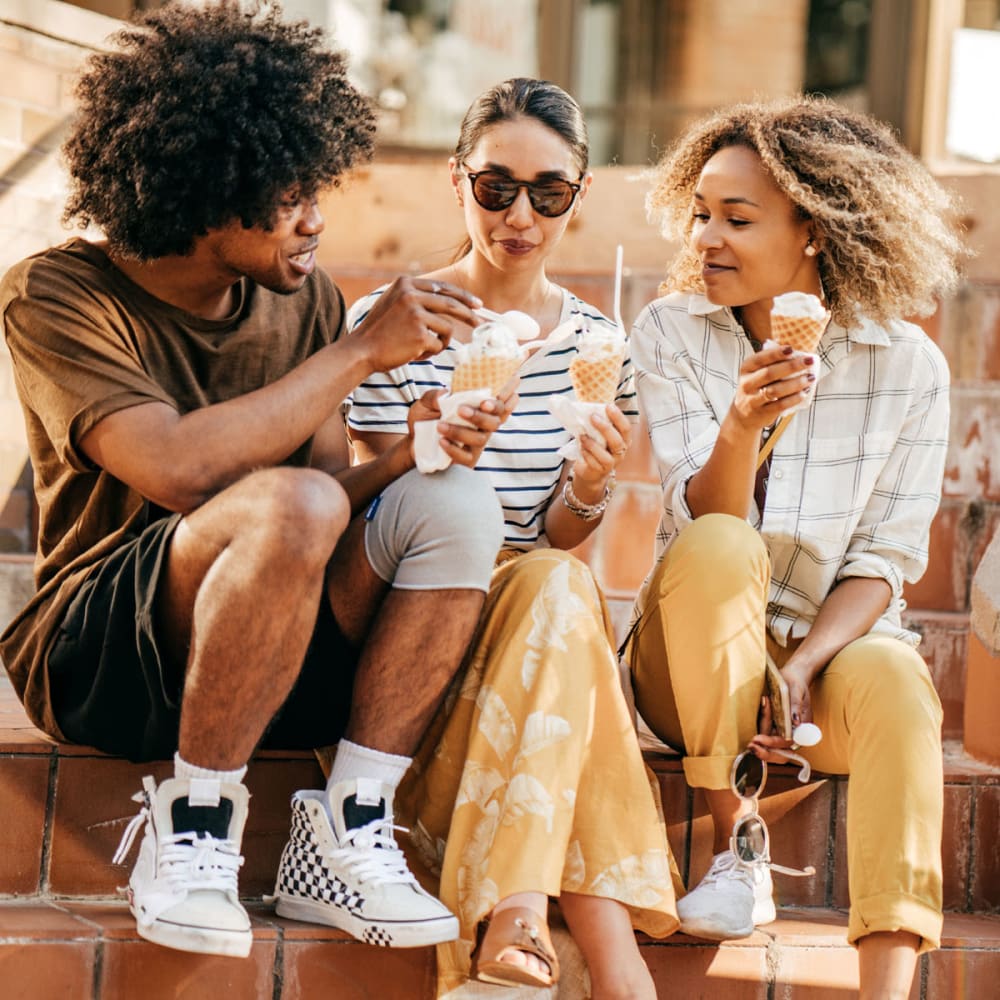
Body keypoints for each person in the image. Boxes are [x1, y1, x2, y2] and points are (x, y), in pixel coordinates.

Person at [0, 2, 514, 960]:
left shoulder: (305, 298)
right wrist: (360, 352)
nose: (318, 220)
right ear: (207, 189)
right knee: (295, 501)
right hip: (102, 656)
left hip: (268, 647)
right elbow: (176, 470)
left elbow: (327, 494)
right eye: (289, 196)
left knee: (451, 501)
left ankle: (347, 825)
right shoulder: (57, 293)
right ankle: (194, 832)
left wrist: (409, 454)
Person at [624, 96, 965, 1000]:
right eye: (701, 213)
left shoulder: (907, 366)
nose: (707, 238)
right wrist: (743, 420)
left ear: (814, 229)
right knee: (724, 546)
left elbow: (885, 560)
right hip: (686, 659)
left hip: (821, 654)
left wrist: (810, 659)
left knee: (897, 679)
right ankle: (734, 845)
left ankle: (889, 979)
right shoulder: (672, 331)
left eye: (737, 219)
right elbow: (699, 521)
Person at [344, 78, 679, 998]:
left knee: (559, 587)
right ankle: (616, 969)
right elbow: (357, 519)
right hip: (417, 629)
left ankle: (520, 924)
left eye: (548, 192)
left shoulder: (598, 345)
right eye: (496, 187)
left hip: (530, 615)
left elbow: (561, 538)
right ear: (458, 183)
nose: (519, 215)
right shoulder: (390, 326)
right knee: (563, 599)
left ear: (578, 195)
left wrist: (592, 482)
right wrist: (424, 449)